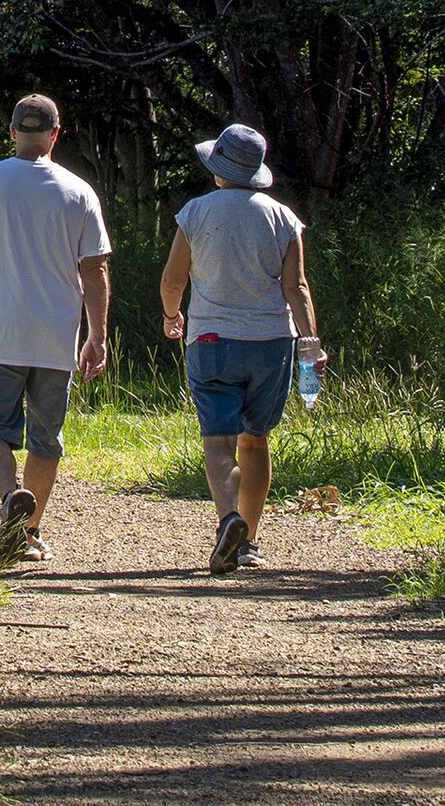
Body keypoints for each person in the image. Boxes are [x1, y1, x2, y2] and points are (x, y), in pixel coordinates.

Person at [0, 92, 113, 563]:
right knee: (45, 439)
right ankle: (30, 532)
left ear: (13, 131)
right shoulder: (79, 191)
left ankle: (7, 497)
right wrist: (97, 334)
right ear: (56, 133)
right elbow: (95, 269)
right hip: (57, 339)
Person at [157, 120, 321, 575]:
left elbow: (173, 280)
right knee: (255, 440)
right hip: (272, 343)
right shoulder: (283, 217)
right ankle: (248, 537)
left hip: (211, 339)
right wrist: (310, 344)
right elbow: (298, 288)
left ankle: (227, 518)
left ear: (218, 169)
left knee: (218, 440)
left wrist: (173, 317)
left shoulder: (195, 212)